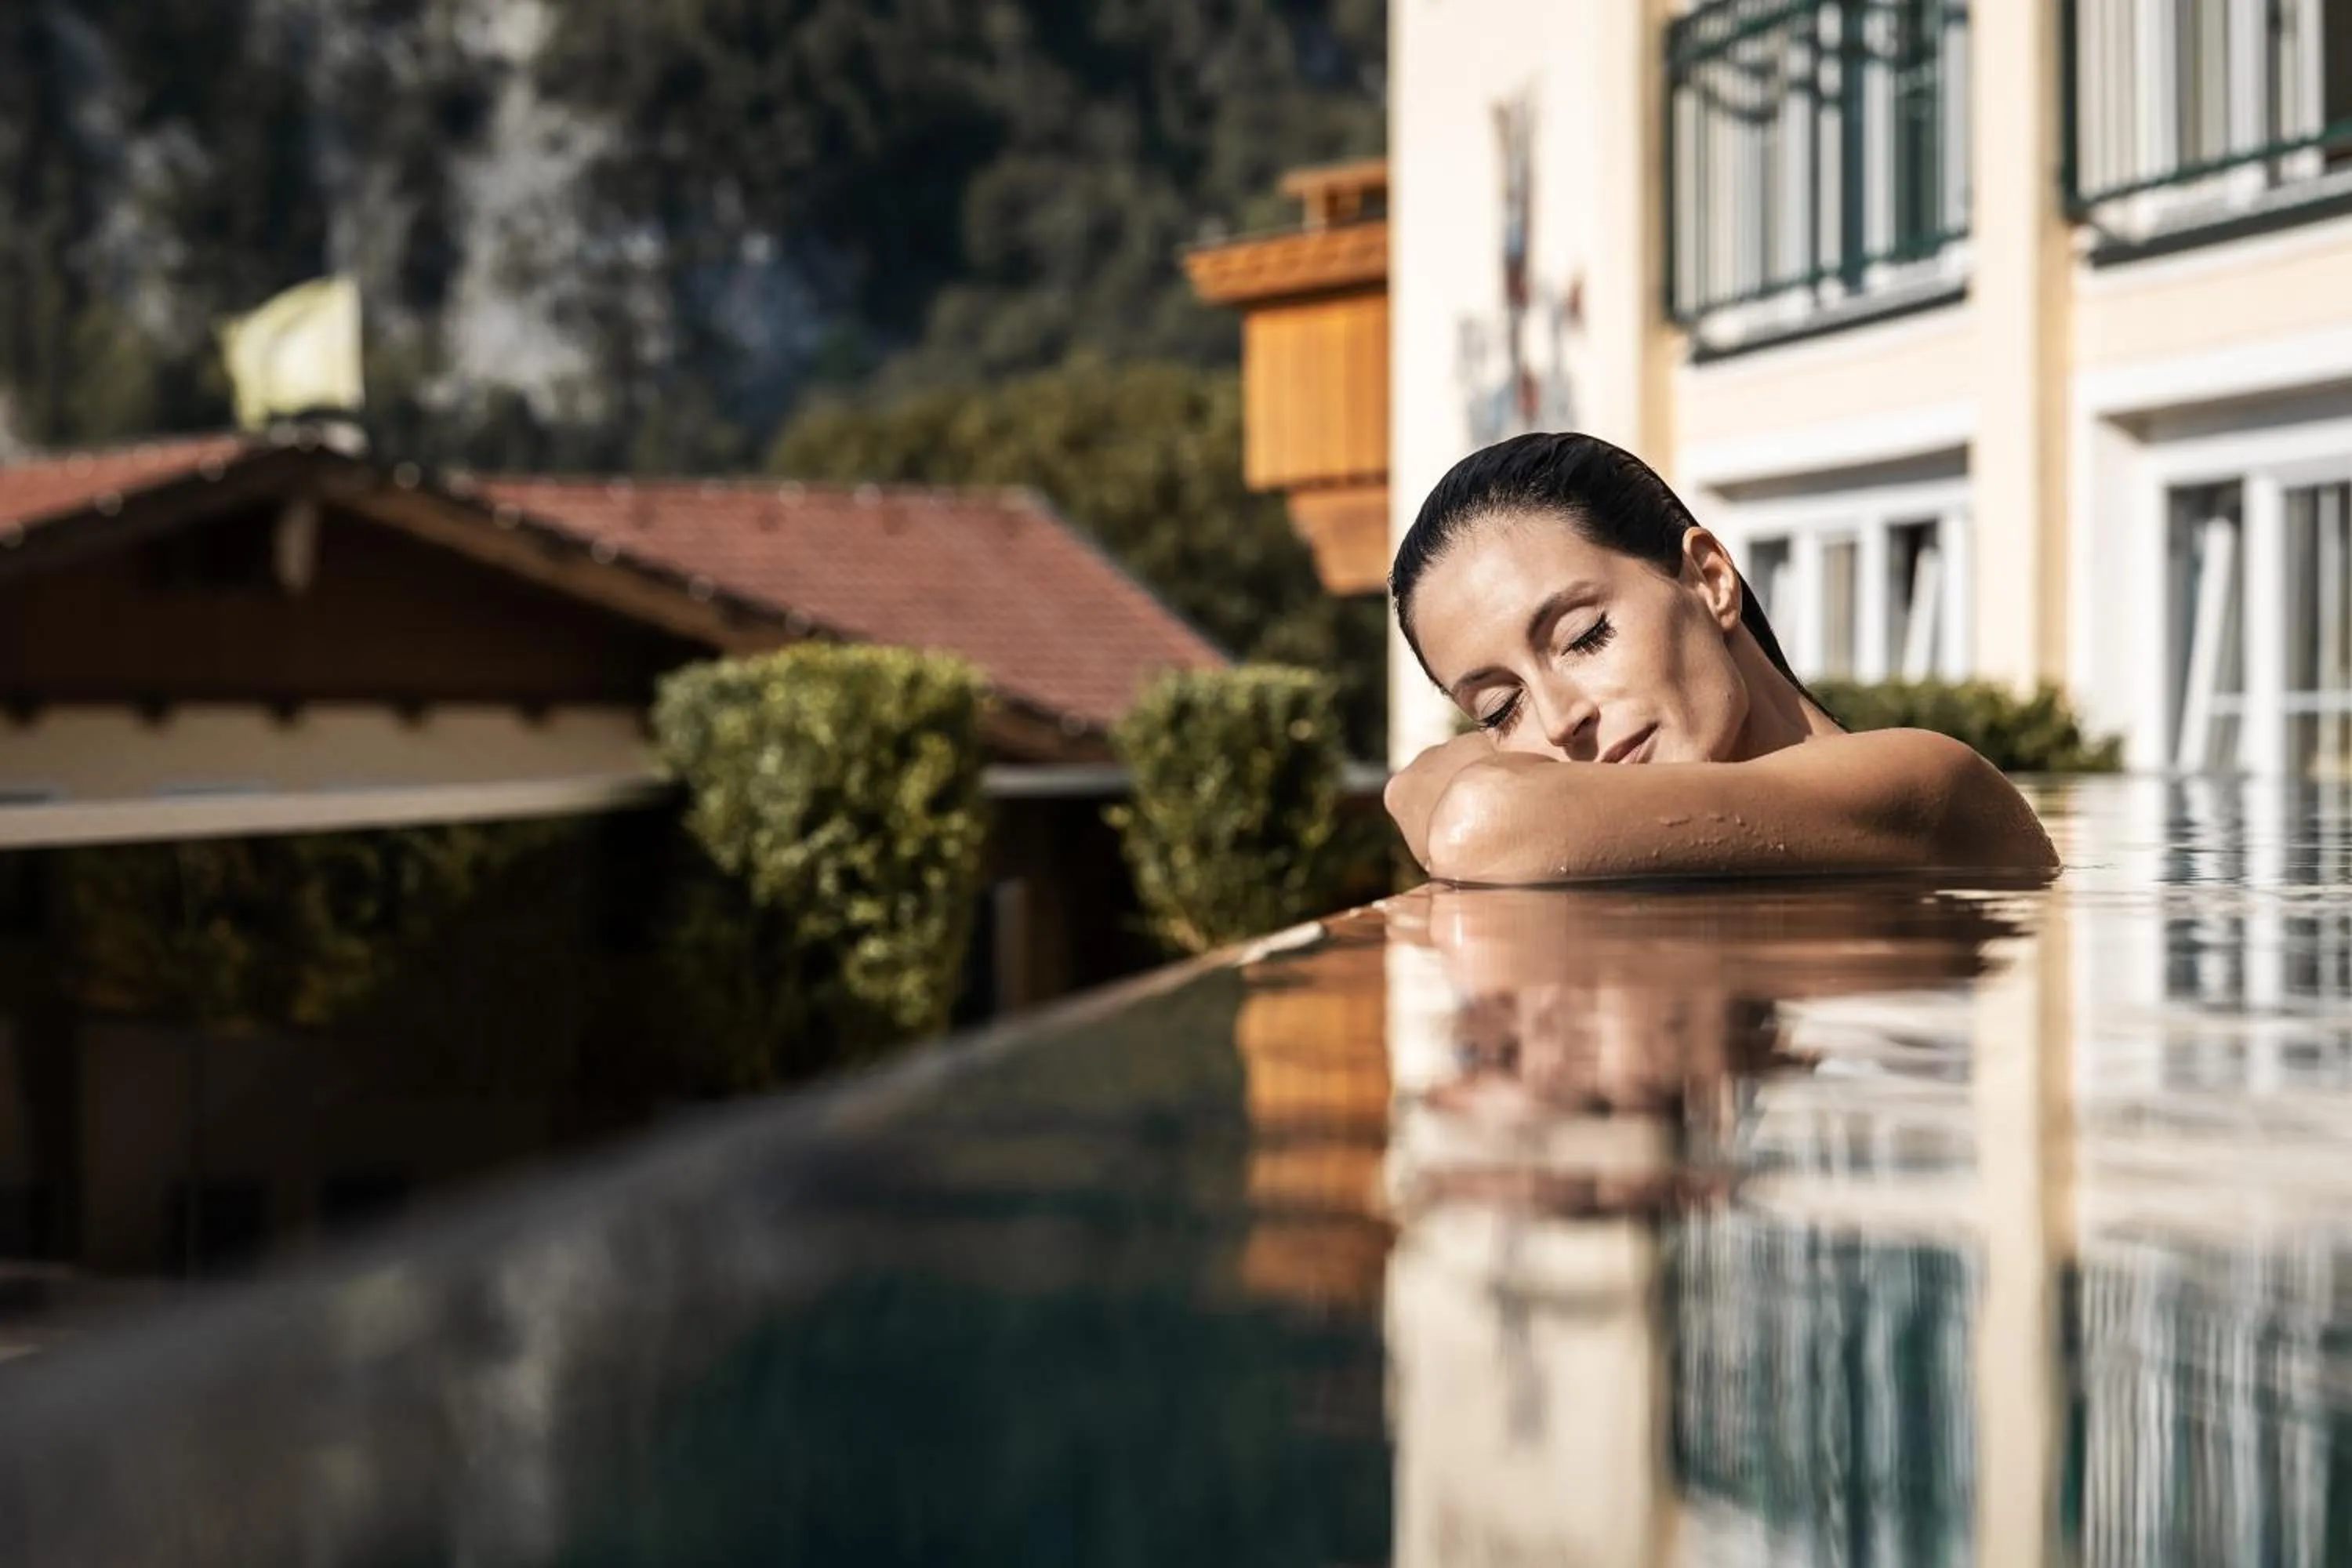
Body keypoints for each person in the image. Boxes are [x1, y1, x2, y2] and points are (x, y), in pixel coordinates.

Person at [1383, 432, 2058, 882]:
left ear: (1710, 579)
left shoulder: (1928, 782)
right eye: (1499, 709)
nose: (1560, 722)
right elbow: (1411, 786)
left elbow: (1482, 819)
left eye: (1584, 636)